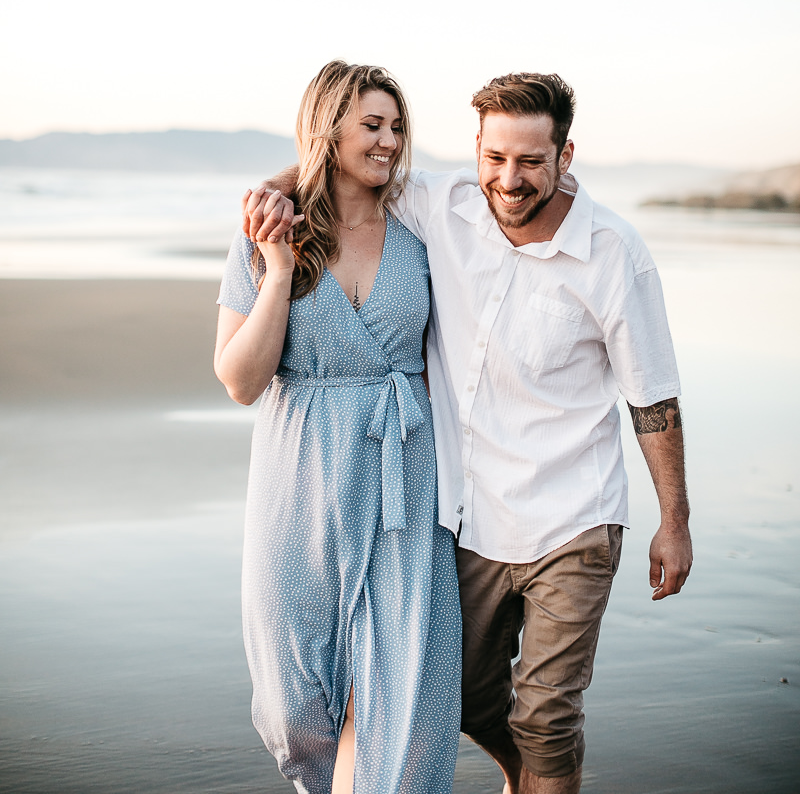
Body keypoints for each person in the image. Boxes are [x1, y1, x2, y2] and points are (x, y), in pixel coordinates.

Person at [245, 70, 693, 794]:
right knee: (460, 698)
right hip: (471, 514)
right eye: (495, 159)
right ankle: (519, 769)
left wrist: (674, 517)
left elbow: (654, 399)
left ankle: (540, 769)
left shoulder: (614, 252)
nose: (509, 180)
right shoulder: (442, 204)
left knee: (547, 715)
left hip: (575, 515)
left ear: (565, 156)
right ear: (476, 150)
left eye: (530, 162)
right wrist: (273, 190)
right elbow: (349, 170)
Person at [215, 60, 461, 794]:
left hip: (405, 489)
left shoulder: (421, 230)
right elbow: (240, 380)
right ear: (330, 129)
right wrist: (281, 269)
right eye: (371, 125)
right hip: (301, 480)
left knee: (400, 692)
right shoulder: (265, 233)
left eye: (396, 127)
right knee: (294, 704)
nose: (389, 141)